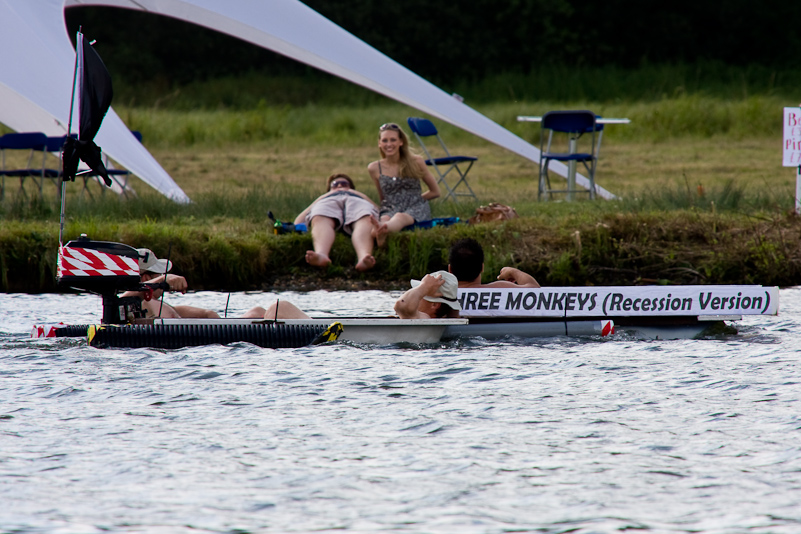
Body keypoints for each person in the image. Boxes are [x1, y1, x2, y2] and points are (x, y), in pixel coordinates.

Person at [121, 248, 265, 319]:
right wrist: (162, 280)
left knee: (258, 311)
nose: (162, 277)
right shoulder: (135, 305)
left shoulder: (161, 306)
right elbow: (121, 300)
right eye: (159, 274)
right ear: (146, 279)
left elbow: (209, 315)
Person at [259, 270, 461, 320]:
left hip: (325, 338)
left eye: (423, 293)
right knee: (258, 311)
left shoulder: (425, 319)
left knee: (280, 307)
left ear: (435, 305)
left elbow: (401, 306)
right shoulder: (420, 316)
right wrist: (423, 289)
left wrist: (423, 288)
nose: (418, 294)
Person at [368, 122, 440, 247]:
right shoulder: (374, 168)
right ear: (379, 143)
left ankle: (383, 230)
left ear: (401, 142)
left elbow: (435, 191)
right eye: (385, 140)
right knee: (383, 221)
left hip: (414, 207)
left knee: (399, 217)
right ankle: (381, 232)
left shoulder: (416, 161)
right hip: (391, 207)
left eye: (393, 140)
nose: (389, 144)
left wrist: (416, 200)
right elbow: (383, 198)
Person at [294, 173, 379, 272]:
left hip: (355, 200)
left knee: (366, 218)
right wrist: (325, 196)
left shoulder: (358, 195)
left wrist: (357, 193)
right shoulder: (325, 197)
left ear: (351, 187)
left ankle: (364, 257)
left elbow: (377, 210)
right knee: (319, 217)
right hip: (329, 201)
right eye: (335, 184)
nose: (339, 186)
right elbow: (298, 221)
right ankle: (321, 254)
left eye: (344, 183)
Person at [448, 237, 540, 288]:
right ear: (482, 268)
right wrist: (514, 272)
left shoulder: (439, 297)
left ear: (450, 270)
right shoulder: (499, 289)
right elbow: (535, 291)